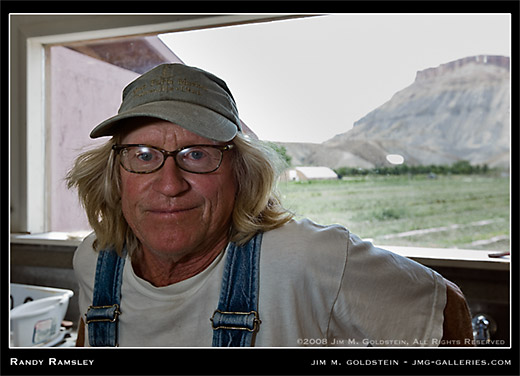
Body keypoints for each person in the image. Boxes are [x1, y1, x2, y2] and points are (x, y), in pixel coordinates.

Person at [68, 63, 474, 347]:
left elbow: (446, 312)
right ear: (115, 174)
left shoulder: (307, 259)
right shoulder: (95, 261)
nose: (170, 185)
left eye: (197, 154)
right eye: (142, 154)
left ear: (240, 172)